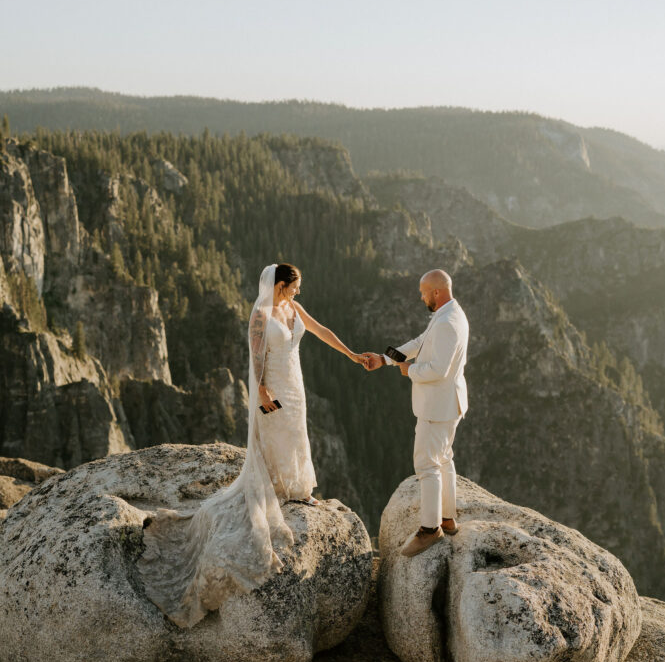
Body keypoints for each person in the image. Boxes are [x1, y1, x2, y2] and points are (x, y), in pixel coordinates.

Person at [139, 262, 368, 627]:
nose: (298, 291)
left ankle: (297, 486)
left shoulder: (293, 309)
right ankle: (279, 485)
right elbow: (255, 355)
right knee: (276, 434)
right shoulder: (261, 314)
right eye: (295, 286)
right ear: (280, 284)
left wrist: (352, 354)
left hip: (295, 381)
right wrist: (260, 391)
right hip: (273, 383)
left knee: (296, 432)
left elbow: (321, 330)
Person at [363, 269, 469, 557]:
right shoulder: (449, 314)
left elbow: (438, 369)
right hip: (448, 403)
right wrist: (385, 359)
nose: (421, 297)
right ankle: (447, 519)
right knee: (444, 459)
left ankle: (429, 529)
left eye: (423, 292)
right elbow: (420, 342)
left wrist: (410, 371)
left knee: (427, 465)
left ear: (436, 292)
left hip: (438, 406)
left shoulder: (447, 322)